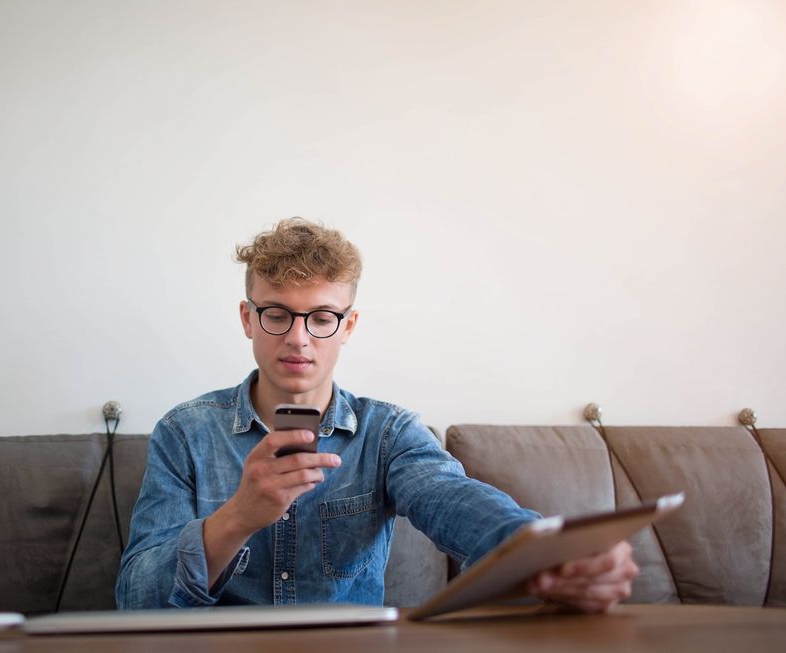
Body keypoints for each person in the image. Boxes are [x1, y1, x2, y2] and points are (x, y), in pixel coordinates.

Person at [115, 217, 637, 612]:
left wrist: (551, 554)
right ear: (248, 319)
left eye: (322, 317)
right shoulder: (185, 432)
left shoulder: (388, 432)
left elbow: (450, 498)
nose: (298, 337)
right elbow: (136, 598)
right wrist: (237, 518)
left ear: (348, 326)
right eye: (277, 314)